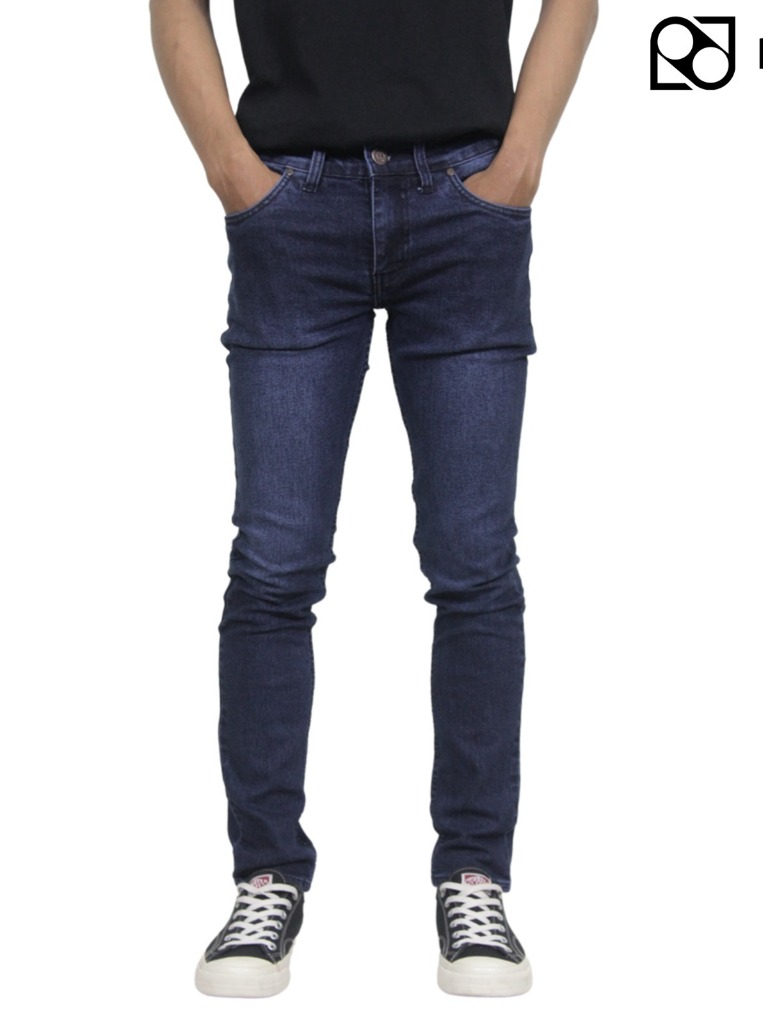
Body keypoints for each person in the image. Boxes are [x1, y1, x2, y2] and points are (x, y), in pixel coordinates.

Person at [150, 0, 598, 999]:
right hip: (292, 202)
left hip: (466, 198)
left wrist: (522, 158)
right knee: (274, 564)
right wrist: (229, 169)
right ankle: (266, 876)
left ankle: (474, 877)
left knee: (475, 563)